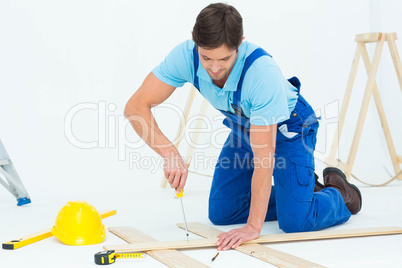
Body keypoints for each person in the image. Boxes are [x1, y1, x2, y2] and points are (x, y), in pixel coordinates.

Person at [124, 3, 362, 251]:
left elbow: (264, 159)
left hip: (289, 129)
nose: (214, 69)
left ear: (240, 44)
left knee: (295, 222)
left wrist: (253, 226)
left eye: (224, 59)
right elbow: (135, 107)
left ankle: (338, 193)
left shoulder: (262, 73)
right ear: (195, 45)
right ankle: (298, 192)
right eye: (206, 58)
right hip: (245, 128)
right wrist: (170, 153)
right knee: (223, 211)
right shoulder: (185, 56)